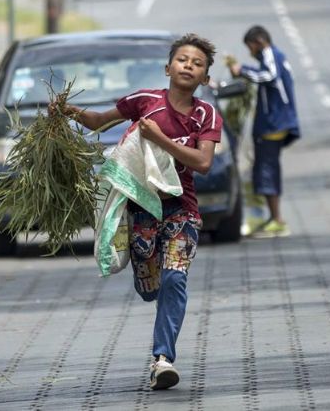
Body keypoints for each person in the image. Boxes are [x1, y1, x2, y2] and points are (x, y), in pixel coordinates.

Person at [57, 33, 221, 390]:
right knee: (151, 286)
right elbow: (100, 121)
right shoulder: (145, 100)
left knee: (175, 277)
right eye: (183, 60)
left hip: (181, 210)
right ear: (168, 68)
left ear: (205, 78)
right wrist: (66, 111)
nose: (189, 66)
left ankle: (162, 359)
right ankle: (150, 281)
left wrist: (159, 138)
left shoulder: (205, 114)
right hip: (141, 209)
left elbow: (204, 162)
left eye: (197, 64)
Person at [226, 25, 300, 238]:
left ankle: (277, 220)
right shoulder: (274, 56)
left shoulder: (271, 55)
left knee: (266, 170)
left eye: (250, 47)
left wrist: (242, 71)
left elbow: (269, 76)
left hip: (273, 124)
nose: (251, 52)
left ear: (259, 42)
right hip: (275, 123)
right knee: (266, 168)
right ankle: (273, 218)